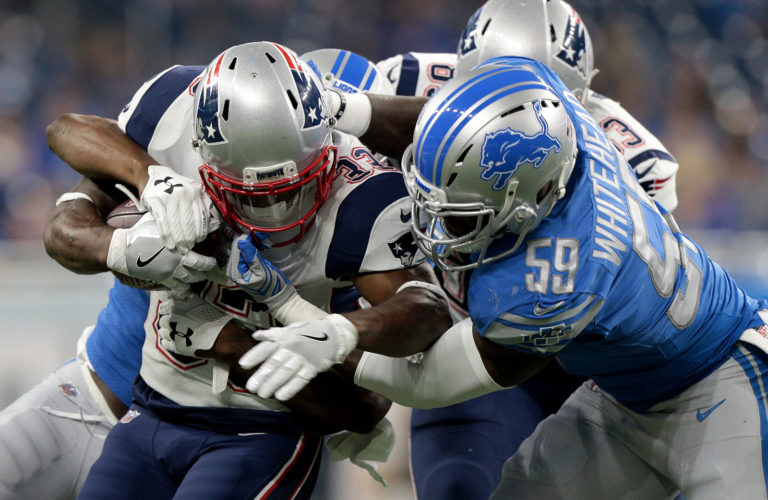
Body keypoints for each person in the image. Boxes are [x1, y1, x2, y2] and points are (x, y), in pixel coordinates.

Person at [337, 57, 768, 498]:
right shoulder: (545, 115)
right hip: (622, 397)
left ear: (532, 197)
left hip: (722, 382)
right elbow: (454, 129)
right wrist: (343, 109)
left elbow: (430, 382)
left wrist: (331, 343)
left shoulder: (557, 276)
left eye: (462, 214)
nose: (442, 227)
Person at [47, 41, 450, 499]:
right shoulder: (173, 118)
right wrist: (147, 180)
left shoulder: (360, 198)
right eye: (252, 195)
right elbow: (65, 131)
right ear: (201, 151)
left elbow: (423, 313)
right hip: (152, 406)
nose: (273, 212)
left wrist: (340, 331)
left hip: (261, 428)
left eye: (289, 189)